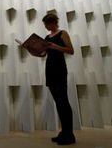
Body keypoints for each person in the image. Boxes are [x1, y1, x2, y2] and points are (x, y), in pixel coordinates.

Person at [40, 13, 76, 145]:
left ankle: (69, 135)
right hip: (49, 70)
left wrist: (54, 46)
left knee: (63, 102)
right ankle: (64, 132)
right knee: (58, 102)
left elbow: (71, 50)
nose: (45, 27)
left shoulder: (62, 34)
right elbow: (43, 54)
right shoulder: (46, 37)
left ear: (53, 22)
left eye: (46, 24)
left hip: (60, 70)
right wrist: (31, 49)